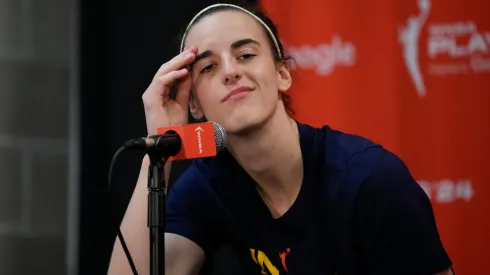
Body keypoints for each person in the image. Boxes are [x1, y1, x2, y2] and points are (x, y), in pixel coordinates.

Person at [108, 3, 454, 275]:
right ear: (194, 105)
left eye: (245, 55)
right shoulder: (211, 184)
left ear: (282, 74)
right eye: (208, 67)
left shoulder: (369, 179)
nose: (230, 71)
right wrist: (160, 153)